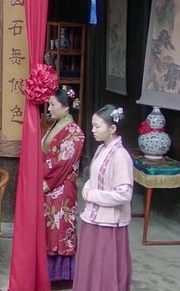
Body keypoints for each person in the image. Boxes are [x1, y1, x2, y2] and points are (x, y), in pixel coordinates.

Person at [73, 105, 133, 291]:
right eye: (93, 126)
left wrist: (93, 195)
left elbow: (124, 193)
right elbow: (94, 176)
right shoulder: (100, 149)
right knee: (90, 264)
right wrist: (87, 187)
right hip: (93, 216)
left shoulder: (121, 156)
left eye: (97, 126)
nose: (93, 130)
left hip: (110, 222)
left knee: (105, 268)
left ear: (112, 128)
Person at [42, 86, 85, 285]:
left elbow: (63, 162)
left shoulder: (75, 132)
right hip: (52, 183)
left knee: (60, 227)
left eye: (52, 105)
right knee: (51, 227)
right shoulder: (57, 126)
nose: (49, 108)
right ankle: (49, 272)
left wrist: (45, 180)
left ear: (66, 107)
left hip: (61, 185)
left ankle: (61, 275)